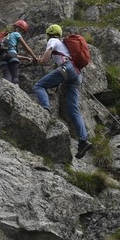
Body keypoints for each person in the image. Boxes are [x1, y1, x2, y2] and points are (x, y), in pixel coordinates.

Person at [31, 23, 90, 158]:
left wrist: (39, 61)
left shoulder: (53, 40)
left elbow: (44, 60)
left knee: (38, 86)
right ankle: (83, 140)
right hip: (76, 74)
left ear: (49, 34)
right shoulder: (62, 43)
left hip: (67, 68)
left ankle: (45, 110)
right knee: (73, 109)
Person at [0, 19, 35, 86]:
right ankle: (15, 92)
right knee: (15, 77)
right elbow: (26, 48)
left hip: (1, 57)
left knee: (7, 78)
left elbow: (12, 55)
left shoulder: (5, 36)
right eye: (23, 32)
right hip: (11, 55)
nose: (22, 33)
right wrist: (34, 57)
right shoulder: (17, 34)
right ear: (20, 29)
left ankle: (5, 90)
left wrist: (27, 58)